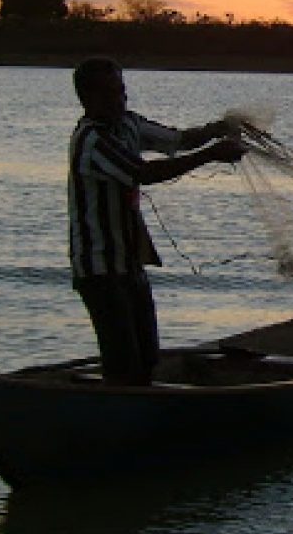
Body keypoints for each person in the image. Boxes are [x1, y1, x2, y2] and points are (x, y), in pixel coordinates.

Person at [68, 57, 245, 385]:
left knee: (148, 357)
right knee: (123, 363)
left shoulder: (129, 124)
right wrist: (210, 155)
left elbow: (178, 141)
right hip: (99, 269)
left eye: (121, 91)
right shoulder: (92, 141)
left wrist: (218, 129)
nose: (120, 100)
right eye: (110, 94)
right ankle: (117, 409)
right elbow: (143, 172)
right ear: (87, 98)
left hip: (130, 264)